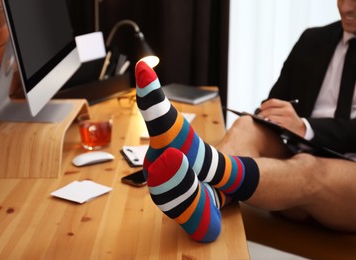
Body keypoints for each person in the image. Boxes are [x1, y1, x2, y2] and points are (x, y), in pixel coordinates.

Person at [134, 0, 356, 243]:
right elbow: (274, 100)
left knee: (308, 166)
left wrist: (305, 127)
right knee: (246, 126)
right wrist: (271, 113)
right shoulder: (314, 39)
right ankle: (207, 203)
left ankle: (201, 160)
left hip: (344, 181)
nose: (346, 7)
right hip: (294, 161)